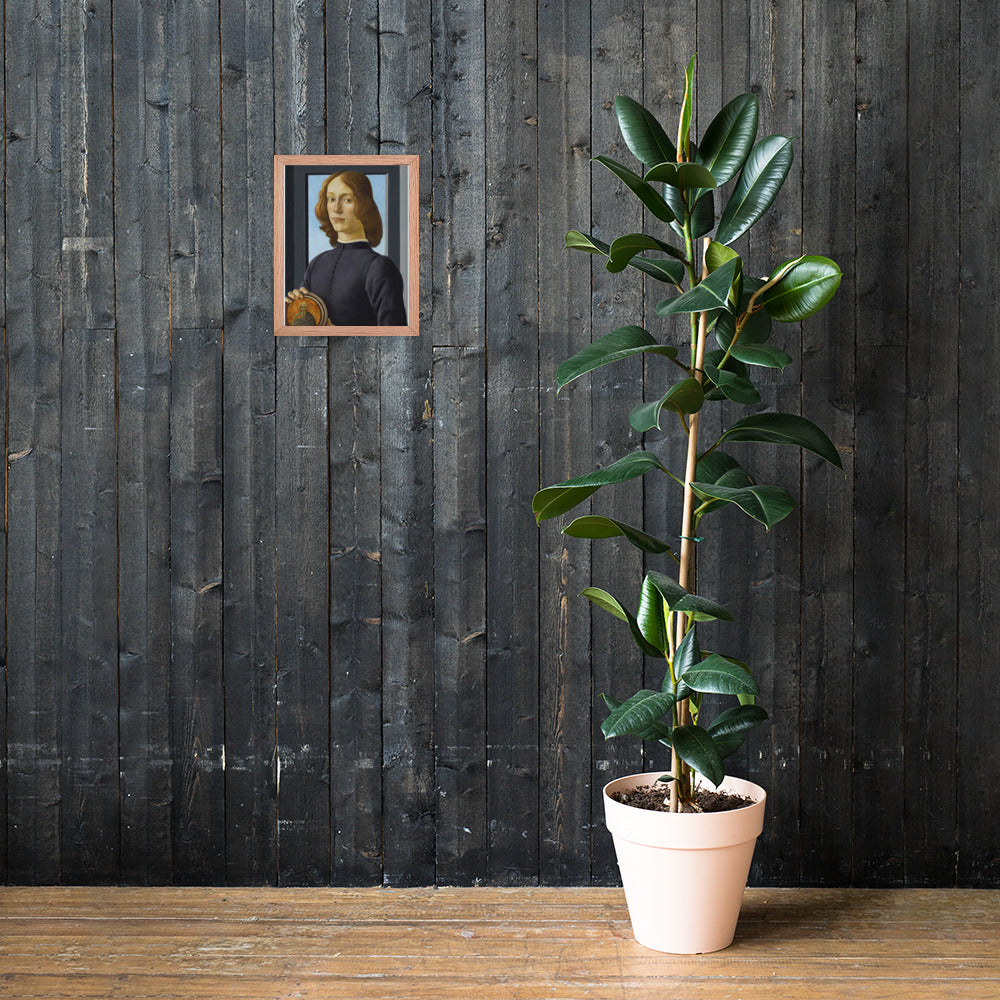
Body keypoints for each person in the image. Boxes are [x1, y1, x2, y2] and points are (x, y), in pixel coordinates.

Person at [285, 171, 407, 326]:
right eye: (331, 199)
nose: (336, 208)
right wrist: (292, 310)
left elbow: (396, 338)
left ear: (364, 205)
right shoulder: (317, 264)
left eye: (347, 200)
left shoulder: (379, 267)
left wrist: (333, 331)